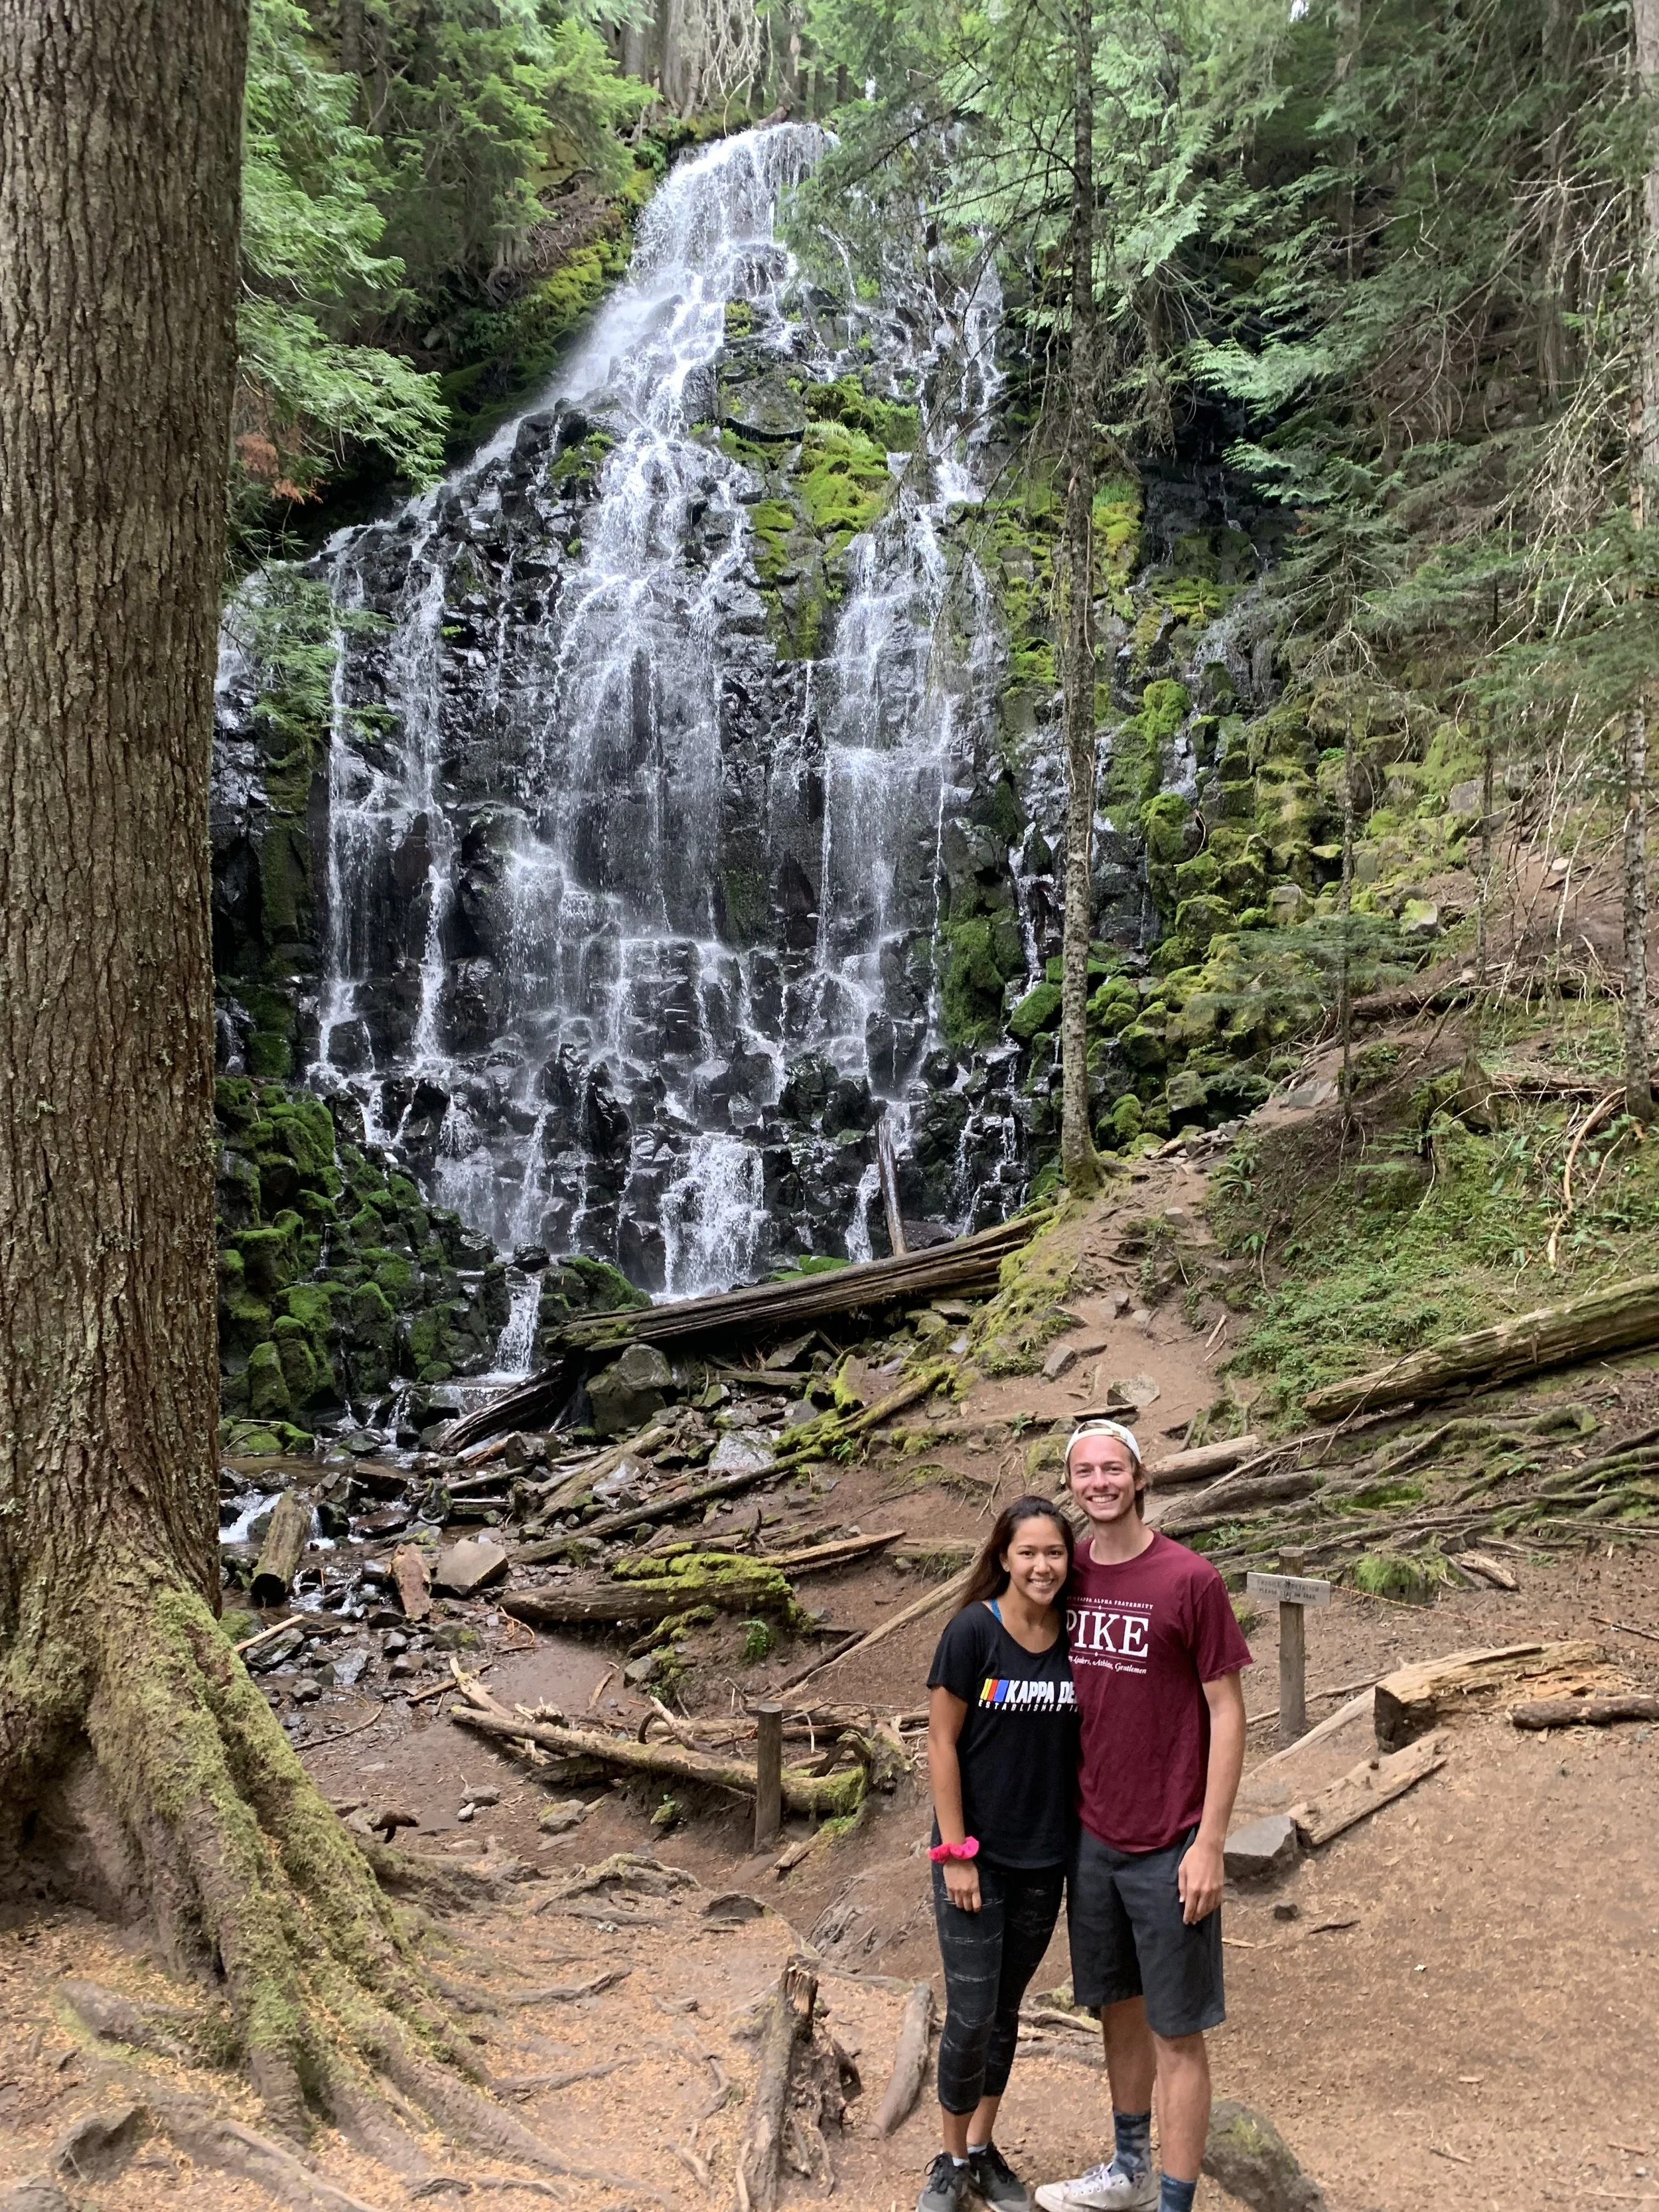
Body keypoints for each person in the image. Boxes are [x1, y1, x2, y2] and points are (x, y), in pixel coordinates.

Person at [1035, 1419, 1251, 2212]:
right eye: (1084, 1471)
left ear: (1139, 1475)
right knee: (1116, 2007)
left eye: (1111, 1469)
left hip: (1171, 1840)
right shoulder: (1065, 1574)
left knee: (1176, 2029)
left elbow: (1227, 1711)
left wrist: (1210, 1842)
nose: (1099, 1483)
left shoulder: (1189, 1579)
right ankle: (1125, 2169)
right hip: (1093, 1836)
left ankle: (1174, 2200)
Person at [918, 1496, 1080, 2212]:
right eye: (1028, 1554)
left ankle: (982, 2149)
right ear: (1003, 1558)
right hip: (973, 1859)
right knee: (971, 2011)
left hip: (1046, 1856)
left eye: (1054, 1553)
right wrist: (955, 1851)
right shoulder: (971, 1633)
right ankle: (949, 2159)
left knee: (1007, 2010)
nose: (1041, 1566)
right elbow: (940, 1741)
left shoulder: (1079, 1637)